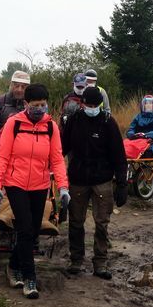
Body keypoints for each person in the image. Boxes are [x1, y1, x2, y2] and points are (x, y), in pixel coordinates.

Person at [0, 84, 69, 299]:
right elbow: (2, 157)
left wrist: (63, 187)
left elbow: (57, 160)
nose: (40, 109)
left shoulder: (51, 127)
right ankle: (29, 278)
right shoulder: (13, 125)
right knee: (25, 230)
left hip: (40, 185)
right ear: (26, 104)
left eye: (43, 105)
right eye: (36, 105)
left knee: (33, 230)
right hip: (15, 184)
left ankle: (13, 265)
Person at [61, 87, 128, 280]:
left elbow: (119, 156)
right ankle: (76, 260)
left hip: (102, 179)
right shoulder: (74, 120)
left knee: (101, 223)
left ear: (100, 105)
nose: (91, 108)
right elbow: (62, 148)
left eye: (94, 105)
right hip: (78, 178)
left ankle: (100, 262)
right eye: (87, 105)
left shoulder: (108, 123)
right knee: (75, 222)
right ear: (81, 104)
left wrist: (122, 184)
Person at [0, 70, 31, 140]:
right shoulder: (0, 102)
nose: (19, 89)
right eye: (16, 86)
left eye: (23, 87)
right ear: (11, 85)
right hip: (2, 148)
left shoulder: (33, 104)